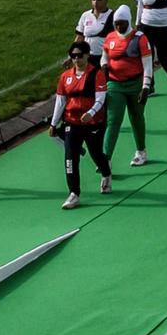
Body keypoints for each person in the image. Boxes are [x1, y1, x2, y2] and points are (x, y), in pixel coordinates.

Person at [49, 37, 113, 209]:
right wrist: (54, 124)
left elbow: (100, 99)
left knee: (96, 153)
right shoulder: (65, 77)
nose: (76, 59)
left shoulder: (96, 74)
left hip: (93, 123)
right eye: (73, 56)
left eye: (79, 56)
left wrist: (90, 113)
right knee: (70, 157)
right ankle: (74, 193)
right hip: (72, 122)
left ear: (87, 55)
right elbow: (61, 101)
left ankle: (106, 174)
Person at [100, 5, 152, 166]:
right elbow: (105, 56)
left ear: (128, 21)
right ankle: (106, 158)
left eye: (122, 23)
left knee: (136, 118)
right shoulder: (110, 38)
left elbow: (147, 64)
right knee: (113, 120)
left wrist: (145, 86)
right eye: (116, 24)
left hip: (135, 83)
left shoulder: (140, 38)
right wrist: (104, 65)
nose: (119, 27)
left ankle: (141, 151)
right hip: (115, 84)